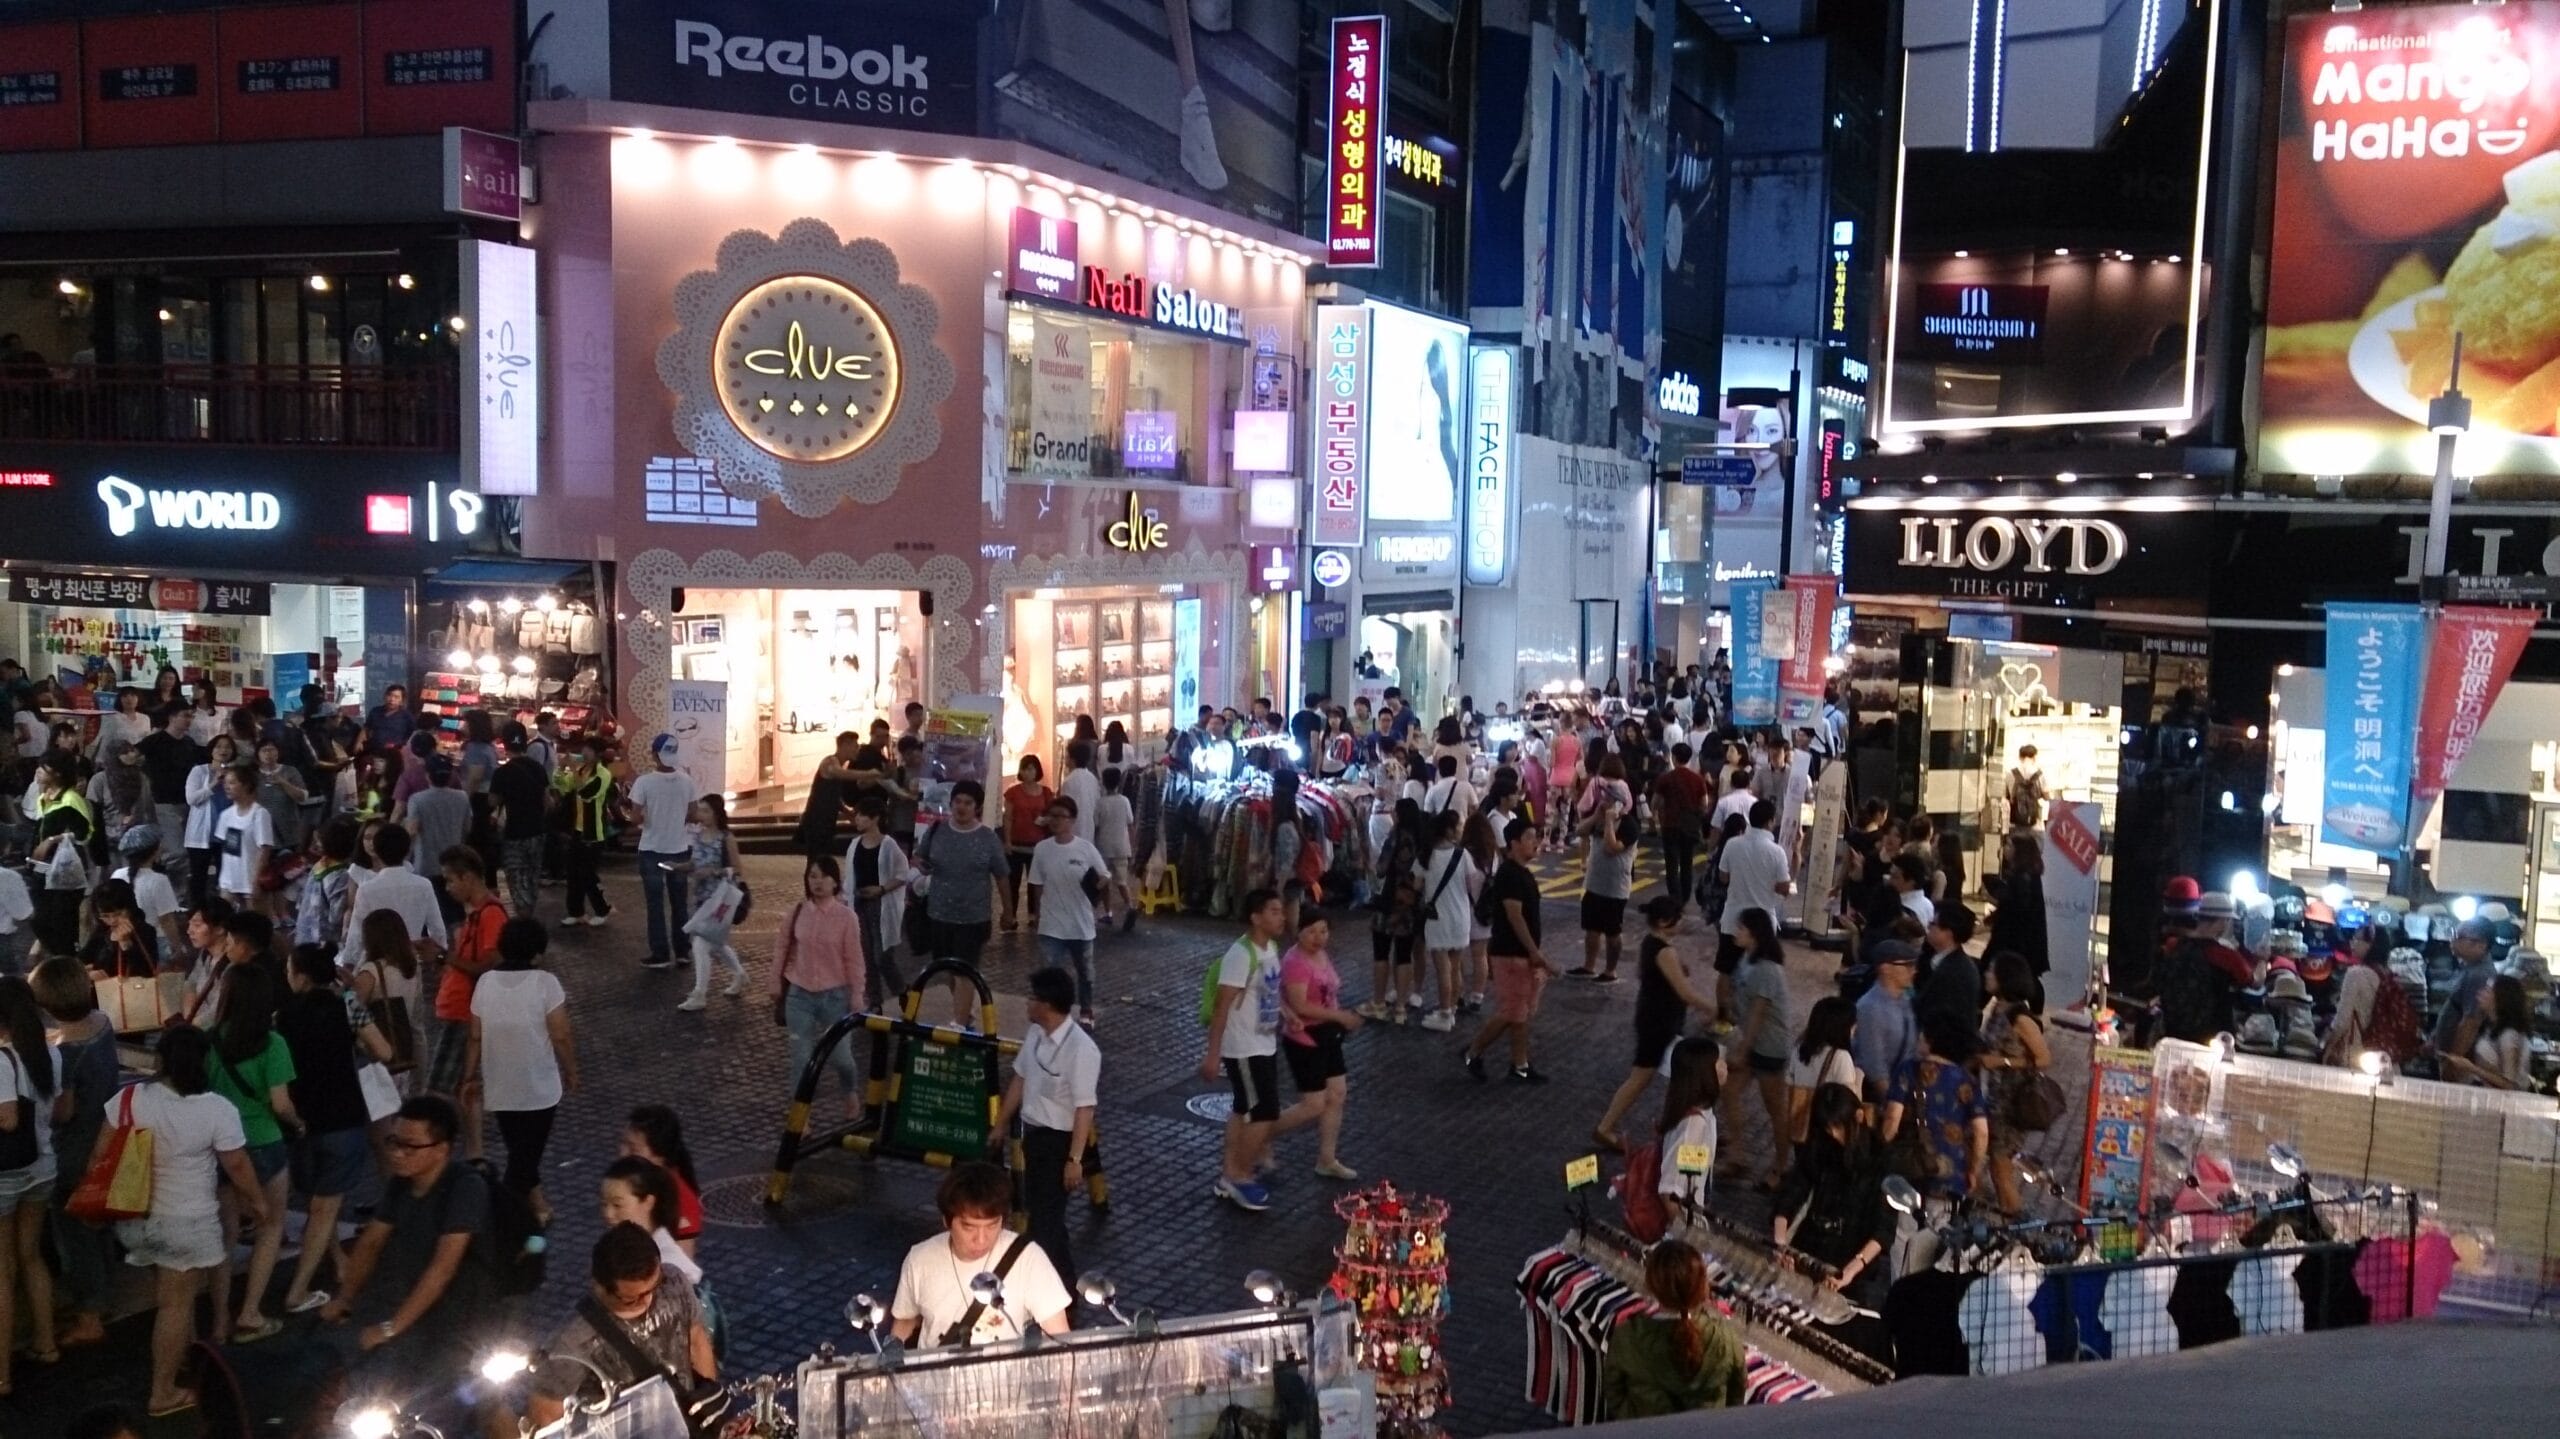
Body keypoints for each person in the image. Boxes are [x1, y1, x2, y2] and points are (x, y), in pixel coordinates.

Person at [116, 1025, 265, 1415]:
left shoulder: (130, 1098)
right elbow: (236, 1164)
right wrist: (258, 1203)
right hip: (186, 1221)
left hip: (136, 1219)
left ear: (161, 1059)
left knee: (168, 1297)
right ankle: (162, 1392)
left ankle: (180, 1356)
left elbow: (104, 1153)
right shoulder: (216, 1109)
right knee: (175, 1306)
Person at [322, 1096, 494, 1411]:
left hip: (457, 1315)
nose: (398, 1153)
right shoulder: (402, 1183)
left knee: (479, 1404)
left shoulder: (466, 1188)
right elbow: (371, 1242)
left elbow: (441, 1270)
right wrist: (345, 1298)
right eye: (394, 1142)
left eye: (410, 1146)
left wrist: (391, 1328)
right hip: (399, 1301)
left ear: (442, 1149)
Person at [277, 943, 389, 1315]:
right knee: (325, 1207)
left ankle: (337, 1261)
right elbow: (385, 1052)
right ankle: (298, 1290)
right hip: (343, 1116)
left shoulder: (283, 1015)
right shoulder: (348, 1006)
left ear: (302, 976)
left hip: (301, 1120)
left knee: (316, 1203)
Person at [527, 1223, 717, 1429]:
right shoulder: (572, 1339)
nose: (647, 1300)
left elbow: (697, 1339)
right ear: (599, 1286)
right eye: (631, 1299)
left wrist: (710, 1405)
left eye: (654, 1286)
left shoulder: (673, 1280)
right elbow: (545, 1412)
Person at [204, 963, 299, 1345]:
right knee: (271, 1225)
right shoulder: (273, 1044)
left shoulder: (208, 1041)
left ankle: (219, 1320)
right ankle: (251, 1312)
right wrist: (299, 1122)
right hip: (264, 1142)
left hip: (221, 1148)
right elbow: (280, 1104)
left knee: (225, 1235)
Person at [889, 1162, 1073, 1347]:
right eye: (969, 1227)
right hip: (936, 1373)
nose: (981, 1239)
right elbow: (904, 1323)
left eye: (992, 1225)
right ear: (946, 1221)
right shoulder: (920, 1259)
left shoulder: (1028, 1257)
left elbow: (1058, 1333)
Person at [989, 967, 1098, 1280]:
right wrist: (1000, 1125)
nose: (1026, 1003)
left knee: (1045, 1222)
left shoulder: (1082, 1050)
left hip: (1058, 1143)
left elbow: (1084, 1108)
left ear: (1047, 1005)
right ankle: (1061, 1284)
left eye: (1032, 998)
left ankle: (1058, 1286)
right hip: (1034, 1138)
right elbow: (1020, 1079)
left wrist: (1074, 1160)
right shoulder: (1036, 1035)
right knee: (1044, 1217)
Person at [467, 917, 576, 1226]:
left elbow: (474, 1036)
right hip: (539, 1087)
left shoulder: (485, 983)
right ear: (537, 951)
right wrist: (571, 1070)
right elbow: (561, 1035)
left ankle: (539, 1207)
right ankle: (502, 1217)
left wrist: (469, 1075)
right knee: (525, 1156)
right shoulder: (546, 983)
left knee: (521, 1150)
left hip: (500, 1085)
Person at [33, 959, 115, 1349]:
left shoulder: (66, 1054)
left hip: (74, 1148)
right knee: (97, 1222)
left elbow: (63, 1111)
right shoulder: (102, 1022)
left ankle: (89, 1315)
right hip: (106, 1135)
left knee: (73, 1231)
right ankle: (103, 1296)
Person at [1595, 894, 1719, 1150]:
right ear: (1664, 922)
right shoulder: (1665, 951)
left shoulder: (1652, 943)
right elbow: (1684, 991)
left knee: (1669, 1075)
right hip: (1660, 1022)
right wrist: (1715, 1008)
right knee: (1642, 1076)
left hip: (1655, 1017)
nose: (1682, 921)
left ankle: (1679, 1125)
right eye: (1678, 917)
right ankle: (1606, 1128)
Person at [1203, 888, 1295, 1211]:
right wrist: (1213, 1054)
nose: (1281, 917)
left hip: (1264, 1042)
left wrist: (1286, 1013)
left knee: (1243, 1107)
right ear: (1255, 917)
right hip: (1243, 1047)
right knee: (1265, 1110)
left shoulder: (1270, 947)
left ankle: (1230, 1170)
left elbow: (1267, 991)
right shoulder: (1239, 955)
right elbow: (1221, 1007)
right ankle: (1238, 1174)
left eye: (1281, 911)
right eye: (1273, 911)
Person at [1771, 1083, 1894, 1304]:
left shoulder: (1880, 1158)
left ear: (1857, 1117)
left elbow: (1883, 1228)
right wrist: (1780, 1243)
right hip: (1810, 1248)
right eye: (1828, 1128)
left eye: (1838, 1127)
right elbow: (1792, 1192)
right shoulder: (1822, 1146)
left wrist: (1851, 1270)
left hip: (1851, 1256)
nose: (1835, 1135)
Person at [1462, 818, 1564, 1083]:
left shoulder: (1521, 873)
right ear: (1514, 843)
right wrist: (1534, 952)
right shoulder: (1510, 875)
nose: (1536, 842)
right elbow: (1514, 915)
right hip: (1510, 954)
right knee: (1512, 1011)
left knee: (1519, 1013)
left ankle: (1520, 1065)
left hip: (1519, 953)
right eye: (1530, 837)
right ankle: (1473, 1052)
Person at [0, 976, 64, 1394]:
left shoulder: (1, 1060)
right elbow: (61, 1110)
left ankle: (1, 1374)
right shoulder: (49, 1053)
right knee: (32, 1258)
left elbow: (7, 1119)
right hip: (43, 1167)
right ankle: (46, 1344)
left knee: (2, 1272)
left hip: (5, 1176)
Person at [1600, 1240, 1746, 1418]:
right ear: (1702, 1286)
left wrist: (1636, 1422)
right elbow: (1736, 1398)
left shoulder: (1628, 1336)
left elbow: (1614, 1394)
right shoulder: (1725, 1337)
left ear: (1652, 1285)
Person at [774, 856, 866, 1126]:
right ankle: (801, 1116)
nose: (817, 882)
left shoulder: (847, 917)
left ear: (835, 881)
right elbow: (782, 947)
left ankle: (849, 1092)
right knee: (801, 1059)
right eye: (812, 876)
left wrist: (857, 993)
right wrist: (775, 981)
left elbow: (854, 959)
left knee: (842, 1059)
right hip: (800, 995)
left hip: (835, 997)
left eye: (823, 877)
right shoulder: (798, 911)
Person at [914, 780, 1010, 1025]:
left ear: (977, 807)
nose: (962, 807)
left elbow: (1001, 875)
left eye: (968, 803)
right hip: (939, 913)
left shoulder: (987, 838)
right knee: (946, 968)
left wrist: (1008, 910)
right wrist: (919, 870)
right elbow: (919, 859)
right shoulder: (937, 831)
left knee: (964, 971)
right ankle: (964, 1010)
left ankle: (958, 1021)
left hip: (973, 917)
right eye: (958, 801)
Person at [1280, 910, 1363, 1180]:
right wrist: (1340, 1016)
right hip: (1304, 1037)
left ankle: (1327, 1159)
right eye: (1312, 931)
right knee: (1313, 1104)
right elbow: (1300, 1005)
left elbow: (1329, 992)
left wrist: (1339, 1020)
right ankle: (1261, 1134)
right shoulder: (1295, 962)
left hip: (1327, 1034)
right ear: (1299, 931)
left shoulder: (1321, 955)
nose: (1318, 938)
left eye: (1324, 931)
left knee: (1337, 1094)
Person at [1881, 1009, 1991, 1202]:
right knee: (1937, 1228)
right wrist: (1973, 1170)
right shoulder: (1967, 1081)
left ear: (1931, 1041)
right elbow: (1981, 1132)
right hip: (1952, 1172)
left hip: (1911, 1166)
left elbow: (1892, 1119)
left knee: (1904, 1227)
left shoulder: (1908, 1069)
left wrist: (1881, 1154)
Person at [1977, 950, 2053, 1215]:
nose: (1987, 975)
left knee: (2001, 1170)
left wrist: (2004, 1062)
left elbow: (2043, 1059)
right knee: (1992, 1167)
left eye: (1992, 971)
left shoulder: (2020, 1019)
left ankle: (2017, 1223)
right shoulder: (1997, 1008)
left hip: (2010, 1107)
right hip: (1992, 1099)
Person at [1729, 907, 1795, 1188]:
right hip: (1753, 1043)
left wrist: (1742, 1049)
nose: (1736, 932)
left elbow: (1758, 1013)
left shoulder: (1767, 969)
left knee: (1775, 1109)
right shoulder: (1747, 959)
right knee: (1729, 1091)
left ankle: (1781, 1167)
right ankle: (1738, 1153)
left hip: (1768, 1048)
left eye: (1741, 928)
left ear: (1754, 934)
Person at [1712, 799, 1793, 1020]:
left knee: (1726, 970)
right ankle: (1753, 1015)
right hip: (1762, 925)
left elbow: (1723, 876)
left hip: (1733, 921)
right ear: (1770, 822)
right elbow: (1784, 887)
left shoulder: (1733, 844)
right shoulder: (1776, 852)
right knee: (1762, 971)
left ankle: (1723, 1015)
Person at [337, 825, 446, 987]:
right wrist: (439, 957)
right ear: (407, 850)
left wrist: (349, 965)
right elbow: (437, 929)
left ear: (377, 851)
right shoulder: (423, 885)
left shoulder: (368, 889)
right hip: (411, 964)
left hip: (376, 968)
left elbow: (356, 934)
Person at [629, 735, 699, 970]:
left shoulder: (643, 783)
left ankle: (660, 953)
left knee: (655, 904)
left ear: (653, 754)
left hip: (650, 849)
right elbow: (693, 813)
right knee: (680, 903)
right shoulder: (687, 781)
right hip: (679, 849)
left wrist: (647, 818)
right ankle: (683, 951)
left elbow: (635, 817)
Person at [675, 796, 748, 1011]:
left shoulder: (726, 838)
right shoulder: (697, 836)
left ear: (716, 813)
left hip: (719, 900)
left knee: (700, 944)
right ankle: (740, 974)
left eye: (706, 811)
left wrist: (714, 872)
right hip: (700, 897)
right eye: (700, 811)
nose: (701, 815)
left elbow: (738, 868)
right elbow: (695, 862)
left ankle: (700, 993)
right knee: (716, 942)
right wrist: (680, 867)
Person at [2156, 891, 2255, 1045]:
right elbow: (2252, 981)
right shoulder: (2226, 956)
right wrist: (2262, 960)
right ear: (2223, 921)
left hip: (2174, 1032)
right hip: (2211, 1037)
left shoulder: (2173, 946)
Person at [841, 797, 912, 1010]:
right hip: (860, 903)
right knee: (866, 956)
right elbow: (850, 876)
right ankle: (875, 1001)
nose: (858, 819)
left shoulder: (888, 845)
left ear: (875, 819)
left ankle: (901, 989)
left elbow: (902, 873)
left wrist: (881, 890)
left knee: (882, 956)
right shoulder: (855, 845)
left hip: (881, 905)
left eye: (862, 815)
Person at [1361, 799, 1426, 1021]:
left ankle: (1378, 1003)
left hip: (1390, 902)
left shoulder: (1396, 836)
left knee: (1381, 953)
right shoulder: (1421, 839)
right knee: (1404, 955)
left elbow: (1381, 868)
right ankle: (1400, 1007)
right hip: (1411, 904)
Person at [1416, 810, 1476, 1030]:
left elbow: (1416, 886)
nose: (1461, 829)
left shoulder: (1426, 855)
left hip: (1438, 917)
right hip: (1461, 917)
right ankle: (1451, 1010)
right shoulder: (1463, 855)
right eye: (1458, 826)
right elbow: (1472, 887)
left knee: (1443, 968)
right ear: (1449, 830)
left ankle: (1444, 1014)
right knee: (1455, 966)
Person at [1571, 787, 1636, 982]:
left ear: (1619, 804)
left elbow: (1611, 848)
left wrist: (1609, 821)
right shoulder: (1598, 819)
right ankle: (1588, 966)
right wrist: (1596, 817)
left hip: (1615, 887)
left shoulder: (1629, 824)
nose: (1603, 801)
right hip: (1593, 883)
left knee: (1612, 932)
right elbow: (1580, 831)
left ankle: (1610, 970)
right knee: (1591, 928)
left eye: (1609, 799)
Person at [30, 757, 95, 955]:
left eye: (45, 768)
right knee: (40, 920)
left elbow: (85, 833)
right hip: (41, 869)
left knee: (63, 924)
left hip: (65, 872)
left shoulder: (71, 799)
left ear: (57, 773)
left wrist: (53, 840)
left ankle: (67, 962)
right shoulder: (42, 798)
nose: (39, 772)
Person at [1655, 1036, 1725, 1217]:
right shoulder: (1694, 1128)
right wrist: (1689, 1235)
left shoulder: (1699, 1113)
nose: (1724, 1065)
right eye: (1718, 1062)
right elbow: (1669, 1193)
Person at [622, 1106, 704, 1255]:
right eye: (623, 1144)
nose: (623, 1154)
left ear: (659, 1155)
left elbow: (682, 1270)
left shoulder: (681, 1201)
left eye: (633, 1149)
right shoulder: (630, 1182)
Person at [489, 726, 552, 919]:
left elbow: (492, 802)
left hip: (514, 833)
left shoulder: (503, 773)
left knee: (517, 879)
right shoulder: (538, 768)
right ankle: (528, 916)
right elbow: (547, 801)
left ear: (505, 744)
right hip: (537, 831)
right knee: (532, 877)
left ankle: (523, 921)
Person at [553, 741, 616, 927]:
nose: (583, 753)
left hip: (594, 831)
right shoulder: (580, 770)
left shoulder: (603, 774)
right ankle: (576, 911)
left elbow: (586, 792)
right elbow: (563, 786)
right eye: (583, 750)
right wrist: (561, 768)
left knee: (588, 874)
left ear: (597, 754)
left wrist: (572, 768)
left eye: (587, 750)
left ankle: (602, 909)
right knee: (572, 872)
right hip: (577, 829)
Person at [1785, 995, 1862, 1147]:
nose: (1856, 1027)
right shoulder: (1841, 1057)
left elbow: (1789, 1085)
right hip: (1827, 1133)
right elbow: (1849, 1102)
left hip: (1802, 1126)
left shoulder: (1799, 1049)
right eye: (1852, 1023)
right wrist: (1859, 1077)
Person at [1852, 940, 1920, 1103]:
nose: (1913, 971)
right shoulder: (1870, 1007)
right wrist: (1893, 1106)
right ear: (1885, 968)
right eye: (1907, 965)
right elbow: (1875, 1066)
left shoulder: (1906, 999)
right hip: (1879, 1097)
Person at [2442, 973, 2532, 1089]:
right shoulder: (2490, 1027)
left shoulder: (2509, 1035)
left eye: (2487, 990)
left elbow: (2510, 1084)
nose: (2480, 993)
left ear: (2501, 998)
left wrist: (2471, 1068)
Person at [2430, 917, 2501, 1058]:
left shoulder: (2479, 975)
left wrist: (2454, 1061)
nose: (2452, 940)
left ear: (2481, 944)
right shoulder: (2469, 968)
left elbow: (2471, 1023)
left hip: (2462, 1059)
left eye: (2459, 937)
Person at [1651, 742, 1710, 904]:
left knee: (1671, 865)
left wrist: (1656, 817)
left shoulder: (1666, 778)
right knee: (1687, 863)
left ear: (1674, 758)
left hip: (1670, 825)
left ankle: (1674, 898)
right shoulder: (1697, 779)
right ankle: (1684, 897)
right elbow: (1704, 804)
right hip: (1690, 826)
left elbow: (1655, 801)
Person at [793, 731, 863, 857]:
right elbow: (841, 774)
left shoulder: (837, 765)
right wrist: (872, 773)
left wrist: (847, 813)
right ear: (845, 745)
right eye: (855, 745)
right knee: (816, 860)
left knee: (821, 859)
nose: (857, 749)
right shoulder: (830, 762)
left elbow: (834, 797)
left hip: (826, 822)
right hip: (816, 822)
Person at [1916, 904, 1982, 1029]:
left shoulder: (1956, 972)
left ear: (1948, 933)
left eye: (1933, 923)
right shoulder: (1933, 957)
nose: (1929, 926)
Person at [1094, 767, 1137, 933]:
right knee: (1122, 881)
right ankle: (1130, 906)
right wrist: (1132, 845)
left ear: (1103, 782)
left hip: (1104, 847)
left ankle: (1108, 913)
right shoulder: (1124, 801)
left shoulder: (1100, 802)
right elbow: (1130, 824)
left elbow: (1096, 826)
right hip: (1122, 846)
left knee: (1104, 881)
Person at [360, 684, 418, 759]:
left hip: (395, 755)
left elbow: (413, 735)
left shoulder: (406, 716)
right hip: (373, 752)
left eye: (396, 697)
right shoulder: (375, 711)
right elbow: (366, 727)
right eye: (389, 695)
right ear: (385, 696)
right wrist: (359, 742)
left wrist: (400, 746)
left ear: (402, 700)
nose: (392, 699)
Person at [2006, 744, 2048, 832]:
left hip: (2015, 822)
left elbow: (2007, 796)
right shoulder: (2039, 774)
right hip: (2034, 823)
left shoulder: (2010, 773)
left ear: (2020, 757)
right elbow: (2046, 796)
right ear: (2034, 757)